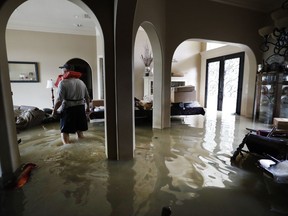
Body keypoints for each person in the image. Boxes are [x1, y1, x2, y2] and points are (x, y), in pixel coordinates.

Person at [52, 63, 90, 144]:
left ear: (65, 71)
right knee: (79, 131)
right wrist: (88, 108)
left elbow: (59, 100)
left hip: (69, 109)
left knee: (64, 131)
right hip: (80, 108)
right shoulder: (81, 82)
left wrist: (54, 110)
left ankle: (67, 149)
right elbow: (87, 97)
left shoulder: (63, 83)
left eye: (62, 70)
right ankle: (82, 146)